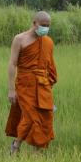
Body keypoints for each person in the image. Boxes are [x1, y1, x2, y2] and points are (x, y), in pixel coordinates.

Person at [5, 11, 58, 154]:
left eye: (48, 26)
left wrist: (49, 84)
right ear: (34, 23)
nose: (45, 28)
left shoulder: (48, 41)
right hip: (25, 84)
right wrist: (11, 89)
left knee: (46, 117)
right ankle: (16, 145)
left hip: (43, 85)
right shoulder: (20, 39)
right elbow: (12, 64)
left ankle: (37, 152)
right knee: (30, 118)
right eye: (43, 25)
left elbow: (50, 66)